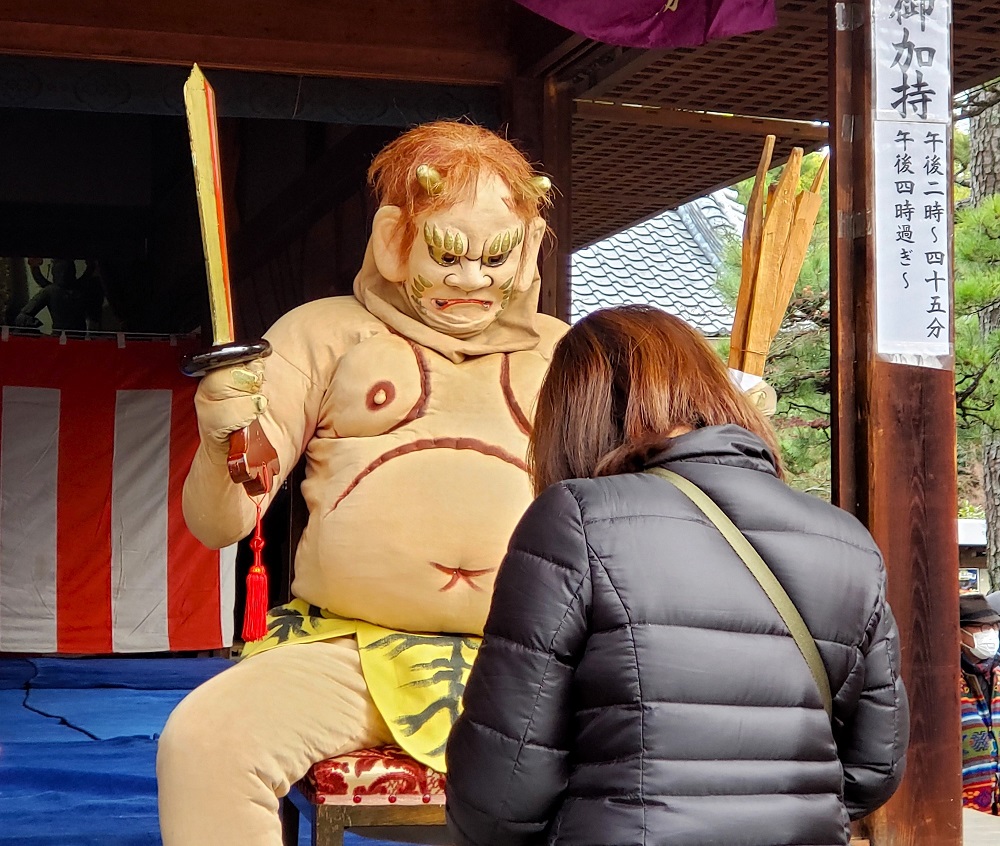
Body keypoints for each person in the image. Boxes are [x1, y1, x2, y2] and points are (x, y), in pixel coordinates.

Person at [156, 121, 568, 846]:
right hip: (347, 652)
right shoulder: (324, 333)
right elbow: (219, 524)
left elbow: (646, 494)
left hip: (539, 659)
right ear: (394, 237)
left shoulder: (567, 354)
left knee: (697, 732)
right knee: (207, 742)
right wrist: (221, 435)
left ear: (529, 246)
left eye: (495, 256)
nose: (471, 281)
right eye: (446, 253)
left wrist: (730, 417)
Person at [446, 305, 909, 846]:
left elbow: (504, 784)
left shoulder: (577, 517)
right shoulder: (847, 540)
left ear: (577, 414)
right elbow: (875, 766)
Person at [960, 592, 1000, 813]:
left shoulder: (998, 674)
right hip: (966, 811)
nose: (991, 634)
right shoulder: (946, 683)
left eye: (994, 627)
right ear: (959, 632)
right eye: (982, 628)